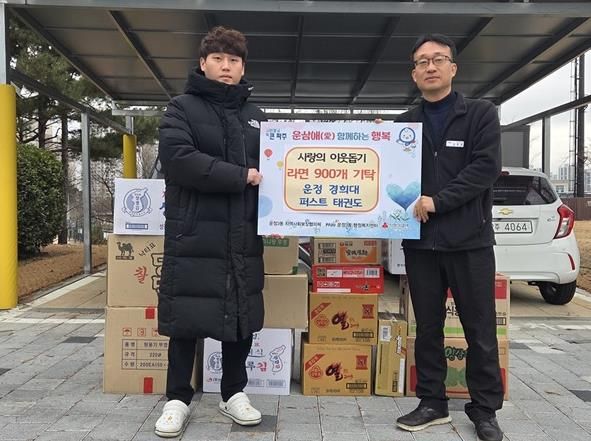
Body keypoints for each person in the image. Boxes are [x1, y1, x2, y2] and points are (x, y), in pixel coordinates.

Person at [154, 26, 266, 438]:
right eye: (218, 58)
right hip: (193, 235)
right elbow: (179, 159)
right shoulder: (180, 108)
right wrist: (240, 176)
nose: (226, 66)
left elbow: (284, 163)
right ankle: (177, 399)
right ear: (203, 63)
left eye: (234, 60)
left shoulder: (256, 116)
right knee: (185, 318)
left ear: (243, 68)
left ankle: (233, 392)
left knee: (240, 318)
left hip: (242, 235)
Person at [395, 34, 504, 441]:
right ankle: (432, 402)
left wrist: (438, 201)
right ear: (414, 73)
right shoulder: (404, 124)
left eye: (438, 59)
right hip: (421, 244)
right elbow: (390, 174)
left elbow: (485, 169)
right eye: (422, 61)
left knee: (480, 329)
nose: (430, 67)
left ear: (453, 68)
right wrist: (377, 143)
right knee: (427, 328)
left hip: (470, 242)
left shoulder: (480, 114)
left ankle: (485, 409)